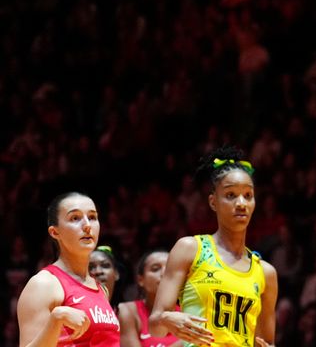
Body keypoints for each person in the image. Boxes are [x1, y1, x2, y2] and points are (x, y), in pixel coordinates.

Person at [149, 147, 278, 347]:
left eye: (248, 195)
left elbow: (266, 342)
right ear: (213, 202)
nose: (241, 203)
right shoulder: (190, 249)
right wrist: (167, 319)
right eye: (231, 195)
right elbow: (155, 326)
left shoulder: (266, 273)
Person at [16, 192, 120, 346]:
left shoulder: (101, 289)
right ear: (55, 232)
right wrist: (56, 319)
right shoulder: (43, 284)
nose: (87, 225)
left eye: (92, 217)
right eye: (75, 218)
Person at [117, 249, 182, 347]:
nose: (164, 273)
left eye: (170, 269)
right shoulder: (127, 311)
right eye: (155, 269)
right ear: (140, 280)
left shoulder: (188, 311)